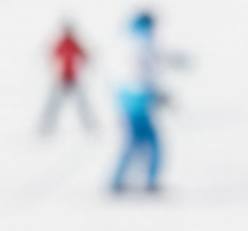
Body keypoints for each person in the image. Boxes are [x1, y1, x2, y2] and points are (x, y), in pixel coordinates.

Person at [110, 11, 172, 194]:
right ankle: (138, 181)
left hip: (127, 96)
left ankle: (123, 180)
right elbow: (138, 72)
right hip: (136, 97)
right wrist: (152, 94)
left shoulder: (128, 39)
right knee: (145, 142)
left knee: (139, 142)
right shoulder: (140, 44)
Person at [39, 20, 95, 134]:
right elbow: (53, 55)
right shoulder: (62, 42)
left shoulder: (73, 43)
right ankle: (45, 127)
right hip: (62, 79)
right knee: (53, 104)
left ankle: (90, 126)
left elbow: (84, 54)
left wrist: (88, 57)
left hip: (72, 79)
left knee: (82, 104)